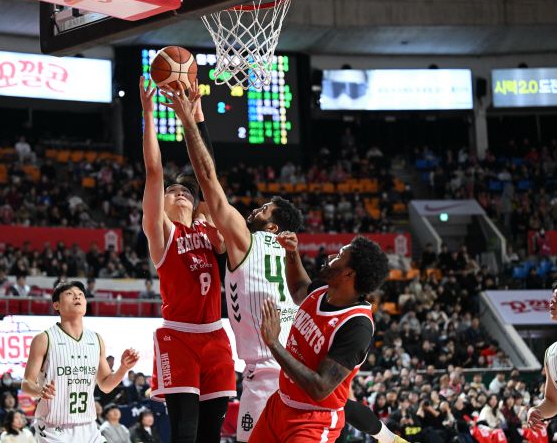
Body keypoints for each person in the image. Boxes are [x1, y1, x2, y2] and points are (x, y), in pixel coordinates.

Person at [163, 82, 404, 443]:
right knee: (338, 401)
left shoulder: (246, 242)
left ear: (272, 226)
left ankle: (385, 435)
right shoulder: (286, 255)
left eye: (262, 210)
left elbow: (209, 181)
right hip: (292, 366)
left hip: (270, 370)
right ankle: (387, 436)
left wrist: (189, 122)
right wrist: (197, 117)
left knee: (329, 402)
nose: (253, 211)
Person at [140, 76, 235, 443]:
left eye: (185, 192)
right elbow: (153, 171)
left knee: (211, 434)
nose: (180, 193)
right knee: (185, 431)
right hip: (178, 337)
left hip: (216, 335)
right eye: (172, 191)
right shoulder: (162, 231)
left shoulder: (206, 225)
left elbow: (208, 172)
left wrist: (196, 115)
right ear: (161, 203)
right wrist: (149, 114)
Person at [250, 235, 390, 442]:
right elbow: (299, 288)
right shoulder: (323, 291)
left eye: (339, 255)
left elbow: (320, 388)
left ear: (349, 273)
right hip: (280, 405)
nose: (331, 257)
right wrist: (291, 252)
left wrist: (274, 343)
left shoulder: (357, 326)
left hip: (314, 422)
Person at [22, 281, 139, 443]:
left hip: (88, 427)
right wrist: (39, 390)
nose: (77, 296)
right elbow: (26, 383)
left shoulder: (96, 339)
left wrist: (123, 368)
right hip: (53, 428)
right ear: (56, 305)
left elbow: (105, 385)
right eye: (69, 294)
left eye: (81, 294)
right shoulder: (44, 339)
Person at [526, 285, 557, 430]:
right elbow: (553, 401)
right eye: (552, 298)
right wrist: (536, 410)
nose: (552, 302)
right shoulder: (551, 353)